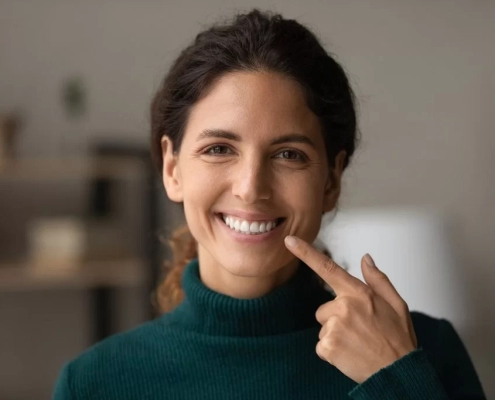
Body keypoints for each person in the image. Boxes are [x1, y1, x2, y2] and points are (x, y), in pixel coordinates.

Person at [53, 9, 486, 400]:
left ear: (331, 180)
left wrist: (396, 382)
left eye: (288, 155)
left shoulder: (426, 355)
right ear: (172, 168)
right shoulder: (94, 383)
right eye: (219, 148)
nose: (250, 188)